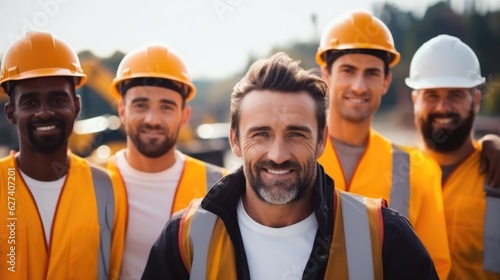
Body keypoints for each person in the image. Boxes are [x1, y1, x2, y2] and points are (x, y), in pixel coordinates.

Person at [141, 52, 438, 279]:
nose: (278, 154)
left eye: (296, 134)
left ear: (322, 140)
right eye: (261, 134)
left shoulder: (386, 236)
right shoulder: (185, 239)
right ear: (234, 140)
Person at [315, 9, 451, 279]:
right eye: (348, 70)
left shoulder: (418, 170)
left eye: (372, 73)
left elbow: (433, 267)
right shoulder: (295, 159)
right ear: (325, 75)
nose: (359, 85)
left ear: (386, 81)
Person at [0, 31, 126, 279]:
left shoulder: (106, 188)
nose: (44, 112)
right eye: (30, 103)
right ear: (11, 113)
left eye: (57, 100)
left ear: (76, 107)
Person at [107, 43, 228, 279]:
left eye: (166, 107)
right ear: (122, 110)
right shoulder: (94, 181)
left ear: (184, 116)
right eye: (141, 105)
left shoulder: (219, 185)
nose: (153, 119)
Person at [406, 34, 500, 279]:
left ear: (476, 100)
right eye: (431, 95)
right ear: (415, 100)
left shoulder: (496, 169)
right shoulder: (393, 168)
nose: (442, 107)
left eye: (455, 95)